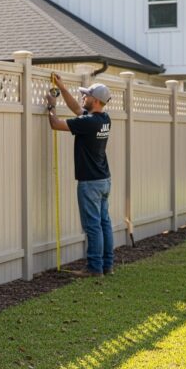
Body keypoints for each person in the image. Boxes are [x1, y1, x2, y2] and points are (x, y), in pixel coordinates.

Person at [46, 74, 114, 277]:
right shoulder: (104, 119)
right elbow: (77, 109)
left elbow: (56, 124)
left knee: (93, 226)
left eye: (86, 96)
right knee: (104, 223)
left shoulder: (89, 122)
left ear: (94, 100)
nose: (83, 98)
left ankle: (94, 268)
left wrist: (51, 106)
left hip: (90, 182)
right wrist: (62, 88)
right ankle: (107, 265)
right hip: (104, 179)